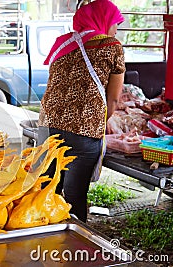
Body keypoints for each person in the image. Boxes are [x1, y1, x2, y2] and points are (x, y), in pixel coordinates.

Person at [38, 0, 125, 222]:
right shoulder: (111, 46)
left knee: (47, 191)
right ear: (104, 21)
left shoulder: (61, 43)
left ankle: (42, 239)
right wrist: (95, 121)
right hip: (83, 132)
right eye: (115, 23)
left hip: (48, 126)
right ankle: (73, 249)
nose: (116, 29)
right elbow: (113, 99)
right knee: (74, 196)